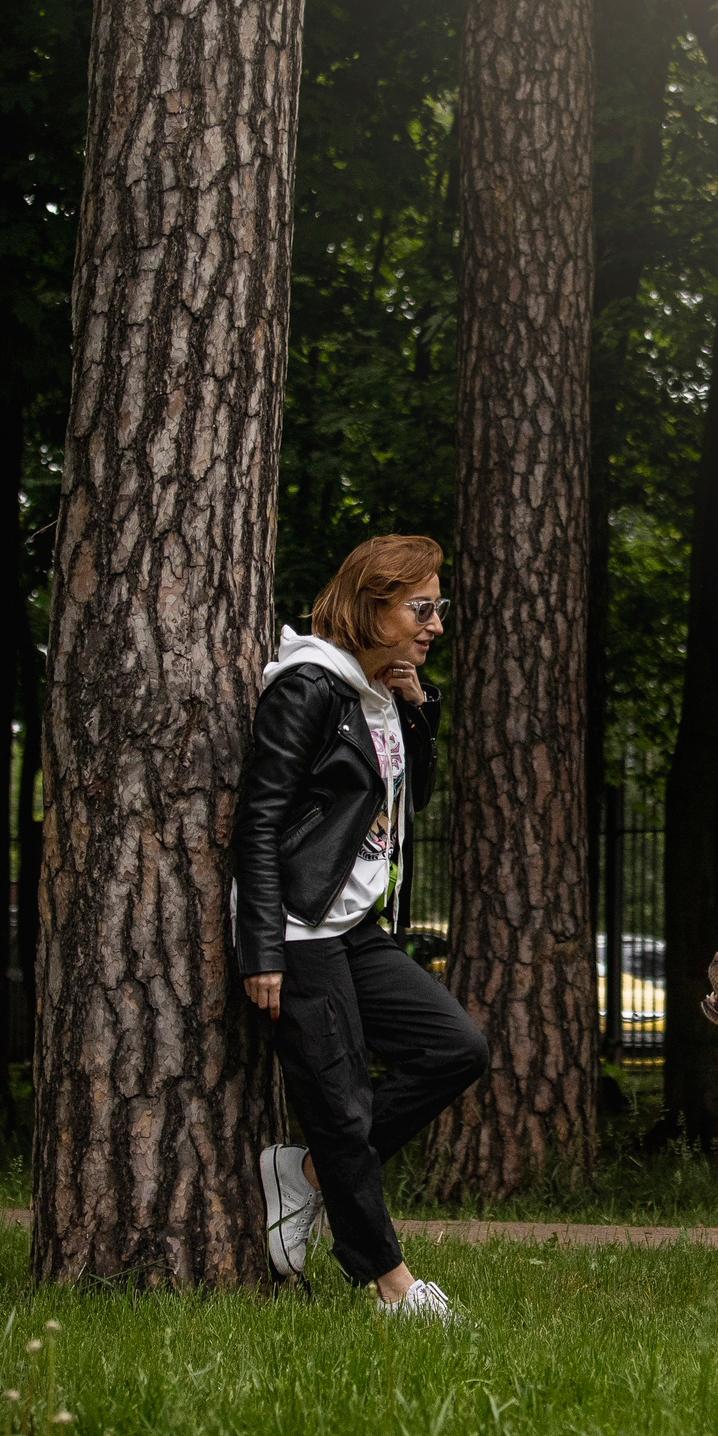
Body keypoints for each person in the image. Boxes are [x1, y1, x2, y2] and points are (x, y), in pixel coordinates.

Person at [229, 535, 486, 1318]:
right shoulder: (307, 688)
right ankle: (391, 1286)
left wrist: (419, 710)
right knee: (340, 1107)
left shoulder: (379, 694)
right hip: (301, 933)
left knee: (456, 1048)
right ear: (373, 607)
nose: (436, 623)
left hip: (356, 929)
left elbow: (409, 804)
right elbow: (259, 821)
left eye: (437, 606)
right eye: (421, 607)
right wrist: (263, 944)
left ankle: (304, 1177)